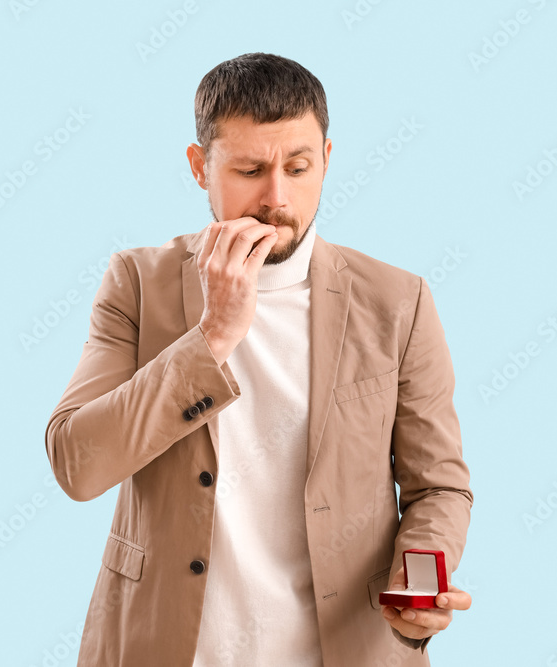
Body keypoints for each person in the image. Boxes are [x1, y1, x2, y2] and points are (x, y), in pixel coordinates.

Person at [45, 52, 473, 666]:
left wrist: (418, 579)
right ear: (199, 168)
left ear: (327, 159)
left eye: (298, 167)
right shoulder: (138, 283)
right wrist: (212, 336)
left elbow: (439, 487)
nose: (277, 198)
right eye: (249, 169)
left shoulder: (399, 302)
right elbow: (76, 464)